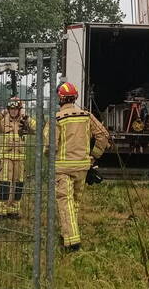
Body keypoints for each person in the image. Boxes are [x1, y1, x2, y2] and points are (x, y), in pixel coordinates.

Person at [46, 81, 110, 252]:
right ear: (75, 97)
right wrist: (94, 156)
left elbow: (49, 146)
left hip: (62, 168)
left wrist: (49, 157)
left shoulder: (56, 119)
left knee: (65, 202)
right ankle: (66, 233)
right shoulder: (86, 116)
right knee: (74, 202)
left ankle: (72, 242)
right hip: (82, 167)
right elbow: (103, 135)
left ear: (59, 99)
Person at [0, 96, 36, 218]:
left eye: (16, 109)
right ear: (8, 109)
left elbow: (37, 128)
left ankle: (14, 209)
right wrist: (1, 114)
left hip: (20, 157)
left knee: (19, 183)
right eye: (11, 109)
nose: (13, 111)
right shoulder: (3, 121)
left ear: (20, 109)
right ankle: (0, 209)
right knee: (5, 183)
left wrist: (26, 117)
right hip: (6, 157)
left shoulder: (24, 121)